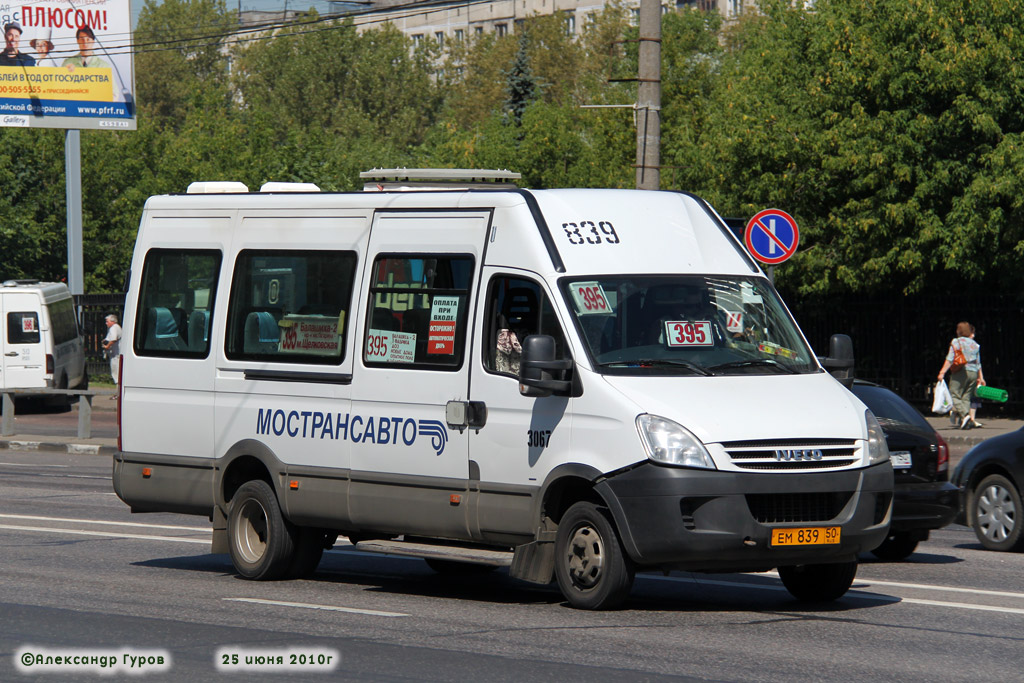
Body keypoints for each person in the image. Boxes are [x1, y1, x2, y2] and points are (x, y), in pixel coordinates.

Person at [937, 321, 985, 430]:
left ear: (959, 331)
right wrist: (980, 378)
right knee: (966, 397)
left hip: (961, 371)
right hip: (973, 373)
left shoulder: (956, 342)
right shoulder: (975, 344)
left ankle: (965, 415)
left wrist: (942, 372)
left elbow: (950, 359)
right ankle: (965, 421)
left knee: (954, 394)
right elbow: (978, 363)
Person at [102, 314, 122, 386]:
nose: (106, 323)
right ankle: (117, 393)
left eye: (107, 321)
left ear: (112, 321)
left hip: (115, 355)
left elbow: (113, 339)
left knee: (116, 373)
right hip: (116, 354)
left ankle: (117, 393)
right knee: (117, 373)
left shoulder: (113, 328)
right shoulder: (116, 327)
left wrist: (107, 346)